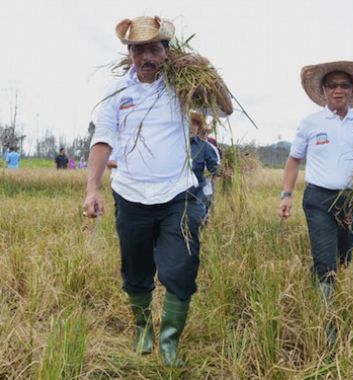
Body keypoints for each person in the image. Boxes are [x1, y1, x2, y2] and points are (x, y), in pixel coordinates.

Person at [82, 16, 233, 366]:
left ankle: (169, 342)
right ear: (130, 53)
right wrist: (92, 188)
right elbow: (102, 139)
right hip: (130, 195)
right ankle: (142, 329)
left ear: (167, 51)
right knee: (135, 269)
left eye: (154, 48)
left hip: (178, 196)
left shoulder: (182, 86)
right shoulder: (117, 92)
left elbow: (224, 108)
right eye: (139, 49)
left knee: (181, 266)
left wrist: (207, 70)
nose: (146, 56)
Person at [278, 61, 353, 342]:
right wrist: (286, 195)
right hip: (319, 199)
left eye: (344, 85)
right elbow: (294, 159)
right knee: (326, 261)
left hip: (352, 201)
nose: (338, 90)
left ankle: (324, 286)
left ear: (352, 90)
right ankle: (328, 327)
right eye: (331, 85)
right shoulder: (311, 123)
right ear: (323, 90)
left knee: (343, 257)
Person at [190, 112, 220, 221]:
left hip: (196, 195)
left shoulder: (205, 147)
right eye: (189, 124)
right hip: (174, 197)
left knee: (197, 222)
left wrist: (223, 171)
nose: (192, 128)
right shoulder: (174, 144)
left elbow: (214, 167)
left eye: (195, 124)